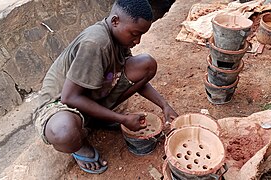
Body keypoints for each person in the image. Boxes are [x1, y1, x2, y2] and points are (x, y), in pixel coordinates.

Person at [32, 0, 178, 174]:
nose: (137, 41)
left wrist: (164, 105)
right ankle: (79, 145)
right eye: (134, 34)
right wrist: (121, 119)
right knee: (65, 132)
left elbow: (132, 76)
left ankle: (96, 119)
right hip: (59, 103)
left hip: (91, 93)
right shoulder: (96, 42)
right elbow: (69, 97)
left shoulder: (119, 39)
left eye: (140, 35)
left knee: (146, 64)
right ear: (115, 21)